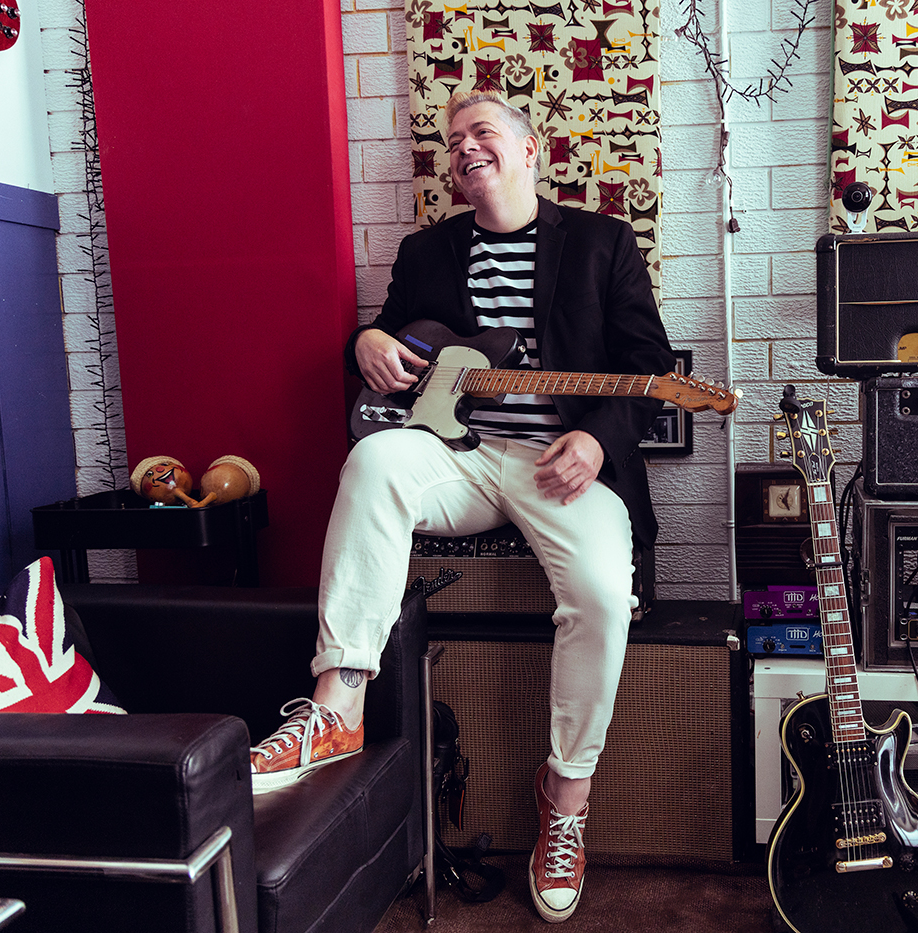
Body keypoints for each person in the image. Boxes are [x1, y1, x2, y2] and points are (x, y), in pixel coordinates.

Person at [248, 88, 675, 924]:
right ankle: (336, 710)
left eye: (482, 133)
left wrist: (594, 441)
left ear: (529, 150)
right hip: (462, 458)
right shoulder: (426, 251)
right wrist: (364, 341)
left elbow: (649, 366)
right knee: (373, 460)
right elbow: (386, 337)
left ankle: (566, 797)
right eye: (453, 140)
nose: (464, 147)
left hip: (568, 469)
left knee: (597, 592)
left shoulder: (600, 241)